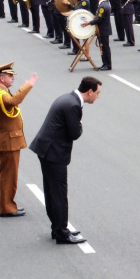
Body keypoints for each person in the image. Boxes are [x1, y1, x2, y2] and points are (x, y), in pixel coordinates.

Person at [29, 76, 103, 244]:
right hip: (53, 153)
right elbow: (75, 133)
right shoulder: (73, 106)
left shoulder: (68, 98)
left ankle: (57, 228)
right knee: (59, 194)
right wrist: (79, 122)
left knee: (52, 192)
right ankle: (62, 232)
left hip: (47, 150)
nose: (98, 96)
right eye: (97, 93)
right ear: (89, 91)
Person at [0, 62, 37, 218]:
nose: (13, 78)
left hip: (9, 139)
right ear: (2, 78)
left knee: (10, 175)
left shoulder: (1, 91)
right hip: (8, 141)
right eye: (10, 76)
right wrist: (28, 85)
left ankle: (8, 204)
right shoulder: (0, 93)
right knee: (8, 176)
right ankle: (7, 207)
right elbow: (12, 102)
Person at [86, 0, 113, 70]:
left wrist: (89, 23)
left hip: (103, 29)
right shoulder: (104, 4)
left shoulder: (103, 6)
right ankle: (105, 64)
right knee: (103, 47)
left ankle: (107, 64)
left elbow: (99, 19)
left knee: (104, 47)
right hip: (103, 29)